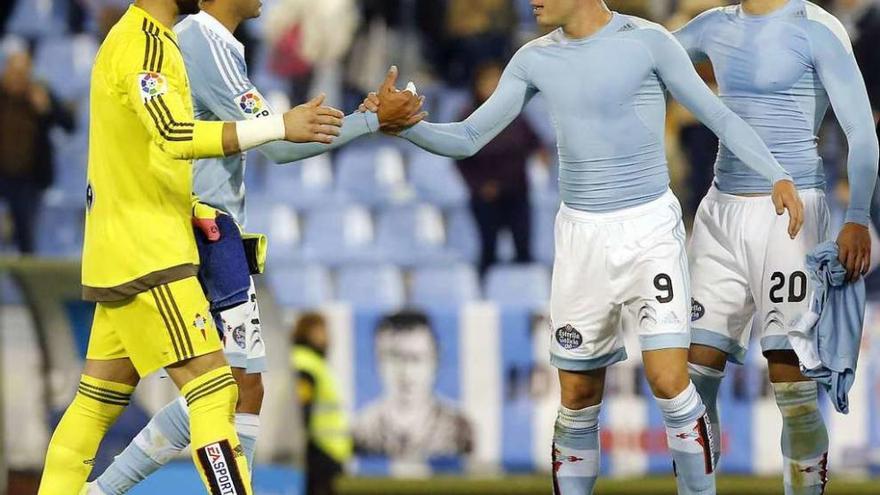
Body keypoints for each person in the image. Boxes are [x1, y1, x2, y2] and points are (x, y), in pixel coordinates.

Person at [364, 0, 806, 492]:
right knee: (576, 396)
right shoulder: (534, 58)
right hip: (580, 237)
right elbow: (469, 137)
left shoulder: (647, 40)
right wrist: (407, 128)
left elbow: (717, 115)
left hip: (648, 230)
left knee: (668, 381)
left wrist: (776, 175)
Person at [86, 0, 423, 492]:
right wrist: (370, 123)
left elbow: (281, 134)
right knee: (229, 387)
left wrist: (364, 115)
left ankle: (106, 490)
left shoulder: (218, 44)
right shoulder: (203, 40)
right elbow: (282, 144)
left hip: (210, 232)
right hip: (206, 230)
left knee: (236, 387)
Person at [38, 0, 347, 492]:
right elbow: (175, 134)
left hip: (119, 248)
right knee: (213, 391)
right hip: (150, 252)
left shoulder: (135, 38)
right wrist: (278, 125)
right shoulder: (145, 44)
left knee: (94, 406)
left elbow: (146, 153)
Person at [674, 1, 879, 493]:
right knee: (692, 378)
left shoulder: (816, 30)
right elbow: (644, 60)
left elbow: (860, 130)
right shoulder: (710, 25)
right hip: (720, 209)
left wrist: (857, 216)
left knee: (794, 388)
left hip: (793, 215)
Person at [457, 61, 543, 275]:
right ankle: (485, 296)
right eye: (487, 81)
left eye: (498, 80)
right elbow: (459, 157)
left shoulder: (514, 114)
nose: (493, 86)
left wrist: (542, 153)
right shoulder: (468, 117)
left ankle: (525, 296)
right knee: (489, 251)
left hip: (517, 192)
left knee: (523, 249)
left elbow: (534, 142)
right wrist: (479, 186)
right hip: (487, 196)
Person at [352, 311, 473, 460]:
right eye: (394, 359)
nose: (405, 372)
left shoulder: (458, 429)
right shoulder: (363, 430)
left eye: (416, 359)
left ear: (436, 361)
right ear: (377, 361)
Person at [0, 48, 75, 254]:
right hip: (2, 173)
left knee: (27, 236)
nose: (17, 79)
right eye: (14, 72)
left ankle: (27, 282)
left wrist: (47, 109)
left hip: (29, 179)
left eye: (22, 73)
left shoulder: (40, 93)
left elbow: (69, 124)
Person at [292, 313, 352, 495]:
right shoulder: (305, 364)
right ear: (309, 331)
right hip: (318, 456)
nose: (327, 337)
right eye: (322, 330)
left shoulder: (313, 363)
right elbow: (302, 411)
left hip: (326, 455)